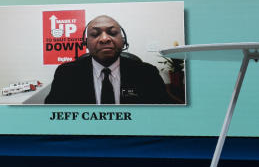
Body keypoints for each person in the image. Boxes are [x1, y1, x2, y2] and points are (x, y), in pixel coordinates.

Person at [44, 15, 174, 105]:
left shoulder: (147, 73)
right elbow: (51, 115)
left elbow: (163, 114)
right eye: (95, 34)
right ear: (86, 43)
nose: (104, 38)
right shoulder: (66, 74)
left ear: (123, 40)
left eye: (112, 33)